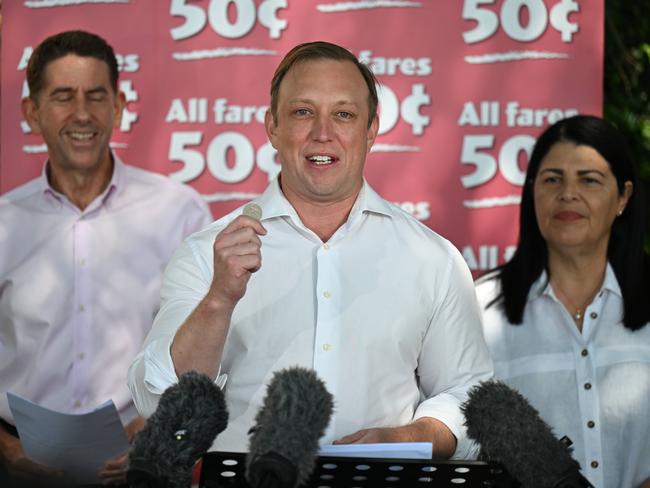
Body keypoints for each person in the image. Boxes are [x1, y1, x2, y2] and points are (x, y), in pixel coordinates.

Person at [128, 41, 493, 459]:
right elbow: (157, 405)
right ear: (272, 127)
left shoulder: (433, 259)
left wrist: (412, 437)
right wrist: (219, 300)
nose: (323, 132)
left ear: (370, 129)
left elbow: (469, 398)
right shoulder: (205, 255)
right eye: (303, 112)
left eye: (344, 114)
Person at [0, 30, 212, 486]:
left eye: (96, 96)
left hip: (145, 462)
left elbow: (212, 345)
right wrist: (6, 450)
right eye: (62, 97)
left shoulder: (178, 212)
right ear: (32, 112)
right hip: (14, 466)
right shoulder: (3, 223)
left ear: (118, 105)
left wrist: (159, 428)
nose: (82, 114)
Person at [475, 115, 650, 488]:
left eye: (589, 180)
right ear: (532, 192)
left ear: (623, 197)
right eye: (553, 179)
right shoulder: (481, 310)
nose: (568, 194)